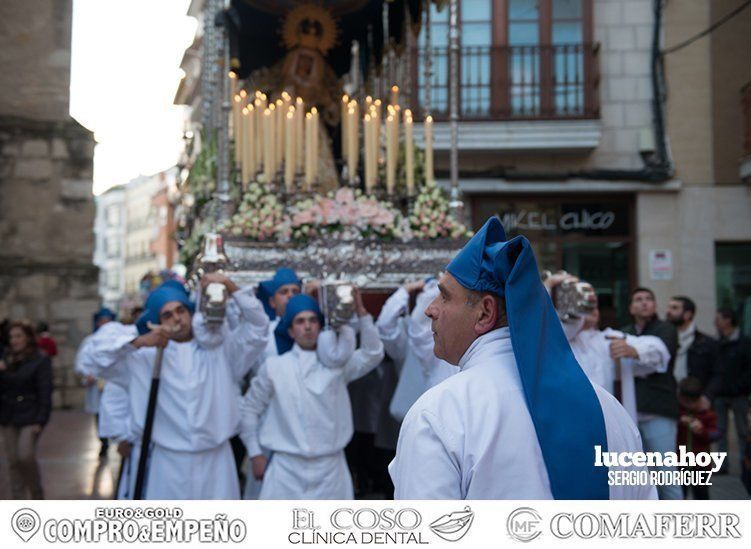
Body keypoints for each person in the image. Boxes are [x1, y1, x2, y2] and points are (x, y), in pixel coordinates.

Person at [389, 217, 655, 499]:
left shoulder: (441, 412)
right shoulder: (610, 410)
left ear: (485, 313)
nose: (430, 309)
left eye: (444, 297)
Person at [88, 274, 269, 499]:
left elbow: (258, 328)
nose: (177, 319)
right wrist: (140, 342)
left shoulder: (222, 352)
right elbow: (92, 359)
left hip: (217, 463)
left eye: (181, 311)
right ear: (156, 322)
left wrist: (231, 287)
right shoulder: (143, 358)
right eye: (167, 315)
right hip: (168, 465)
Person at [239, 292, 385, 499]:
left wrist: (361, 313)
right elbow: (249, 409)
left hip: (331, 471)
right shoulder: (274, 367)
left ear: (320, 326)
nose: (307, 327)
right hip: (286, 471)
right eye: (300, 321)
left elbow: (373, 353)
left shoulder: (338, 367)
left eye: (313, 320)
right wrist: (255, 453)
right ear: (290, 330)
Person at [620, 287, 681, 499]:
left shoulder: (666, 329)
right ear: (630, 307)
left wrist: (635, 352)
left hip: (659, 410)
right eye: (638, 299)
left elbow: (659, 356)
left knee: (666, 476)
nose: (644, 302)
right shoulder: (623, 331)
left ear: (654, 305)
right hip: (632, 413)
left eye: (648, 299)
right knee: (642, 480)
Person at [0, 321, 53, 499]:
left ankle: (37, 495)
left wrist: (41, 419)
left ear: (28, 338)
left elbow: (45, 391)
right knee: (13, 462)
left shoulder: (40, 359)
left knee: (25, 456)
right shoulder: (5, 358)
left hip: (30, 415)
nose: (14, 340)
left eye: (18, 336)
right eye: (11, 336)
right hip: (8, 415)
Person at [75, 307, 117, 458]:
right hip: (97, 388)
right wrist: (88, 375)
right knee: (99, 417)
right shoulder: (89, 341)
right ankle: (103, 443)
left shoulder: (118, 340)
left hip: (114, 385)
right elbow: (81, 363)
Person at [714, 307, 751, 470]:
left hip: (739, 394)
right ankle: (722, 466)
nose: (716, 322)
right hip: (721, 394)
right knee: (719, 431)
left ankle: (745, 461)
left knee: (742, 430)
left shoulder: (744, 343)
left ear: (728, 320)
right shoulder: (718, 343)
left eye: (719, 319)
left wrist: (739, 387)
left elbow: (748, 370)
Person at [666, 296, 721, 396]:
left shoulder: (707, 342)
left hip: (696, 399)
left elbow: (718, 374)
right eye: (669, 307)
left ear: (687, 314)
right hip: (668, 398)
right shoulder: (663, 340)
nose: (668, 311)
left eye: (674, 308)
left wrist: (707, 397)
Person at [676, 376, 719, 500]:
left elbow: (715, 434)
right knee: (680, 492)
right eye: (685, 402)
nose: (689, 406)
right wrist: (680, 421)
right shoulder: (677, 411)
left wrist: (702, 431)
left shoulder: (707, 414)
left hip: (701, 463)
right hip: (680, 461)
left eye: (692, 402)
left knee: (701, 494)